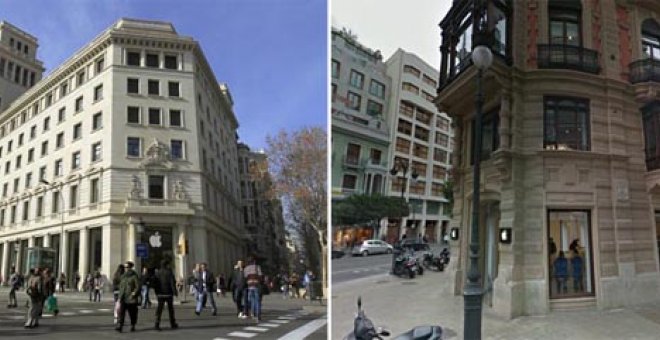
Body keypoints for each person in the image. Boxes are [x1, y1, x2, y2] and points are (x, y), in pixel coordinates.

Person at [152, 259, 178, 330]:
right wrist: (175, 292)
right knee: (170, 309)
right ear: (167, 265)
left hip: (160, 294)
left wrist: (156, 292)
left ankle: (157, 324)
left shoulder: (157, 273)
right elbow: (172, 283)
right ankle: (172, 323)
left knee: (159, 309)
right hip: (168, 293)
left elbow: (155, 283)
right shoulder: (169, 272)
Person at [116, 261, 140, 333]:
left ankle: (133, 325)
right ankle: (120, 326)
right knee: (121, 313)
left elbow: (138, 286)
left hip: (131, 298)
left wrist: (134, 293)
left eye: (127, 267)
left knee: (132, 313)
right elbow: (121, 286)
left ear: (130, 268)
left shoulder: (134, 276)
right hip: (123, 297)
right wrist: (119, 296)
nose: (125, 269)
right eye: (125, 267)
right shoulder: (123, 276)